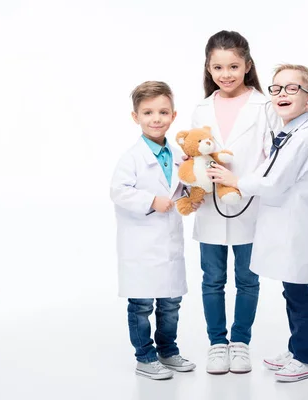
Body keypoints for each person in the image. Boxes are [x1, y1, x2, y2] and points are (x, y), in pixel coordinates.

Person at [206, 64, 308, 382]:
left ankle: (306, 356)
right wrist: (242, 179)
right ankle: (296, 346)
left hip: (299, 227)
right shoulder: (288, 134)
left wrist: (235, 180)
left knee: (299, 292)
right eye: (276, 88)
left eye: (291, 88)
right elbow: (265, 170)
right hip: (287, 225)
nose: (281, 94)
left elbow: (273, 182)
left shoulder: (304, 139)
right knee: (291, 289)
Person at [191, 30, 279, 375]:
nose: (225, 74)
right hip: (210, 207)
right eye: (218, 67)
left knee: (247, 279)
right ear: (208, 69)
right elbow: (193, 152)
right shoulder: (201, 108)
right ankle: (217, 344)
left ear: (247, 66)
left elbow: (274, 158)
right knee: (212, 279)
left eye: (232, 66)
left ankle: (240, 342)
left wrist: (245, 182)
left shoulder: (265, 106)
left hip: (249, 203)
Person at [110, 81, 197, 380]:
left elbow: (184, 185)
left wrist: (189, 197)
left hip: (169, 243)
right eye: (148, 112)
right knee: (142, 303)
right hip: (141, 244)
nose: (155, 118)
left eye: (162, 112)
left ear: (173, 116)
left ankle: (168, 351)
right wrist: (151, 201)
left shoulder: (178, 155)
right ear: (136, 117)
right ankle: (145, 357)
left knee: (171, 302)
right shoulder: (131, 157)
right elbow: (118, 192)